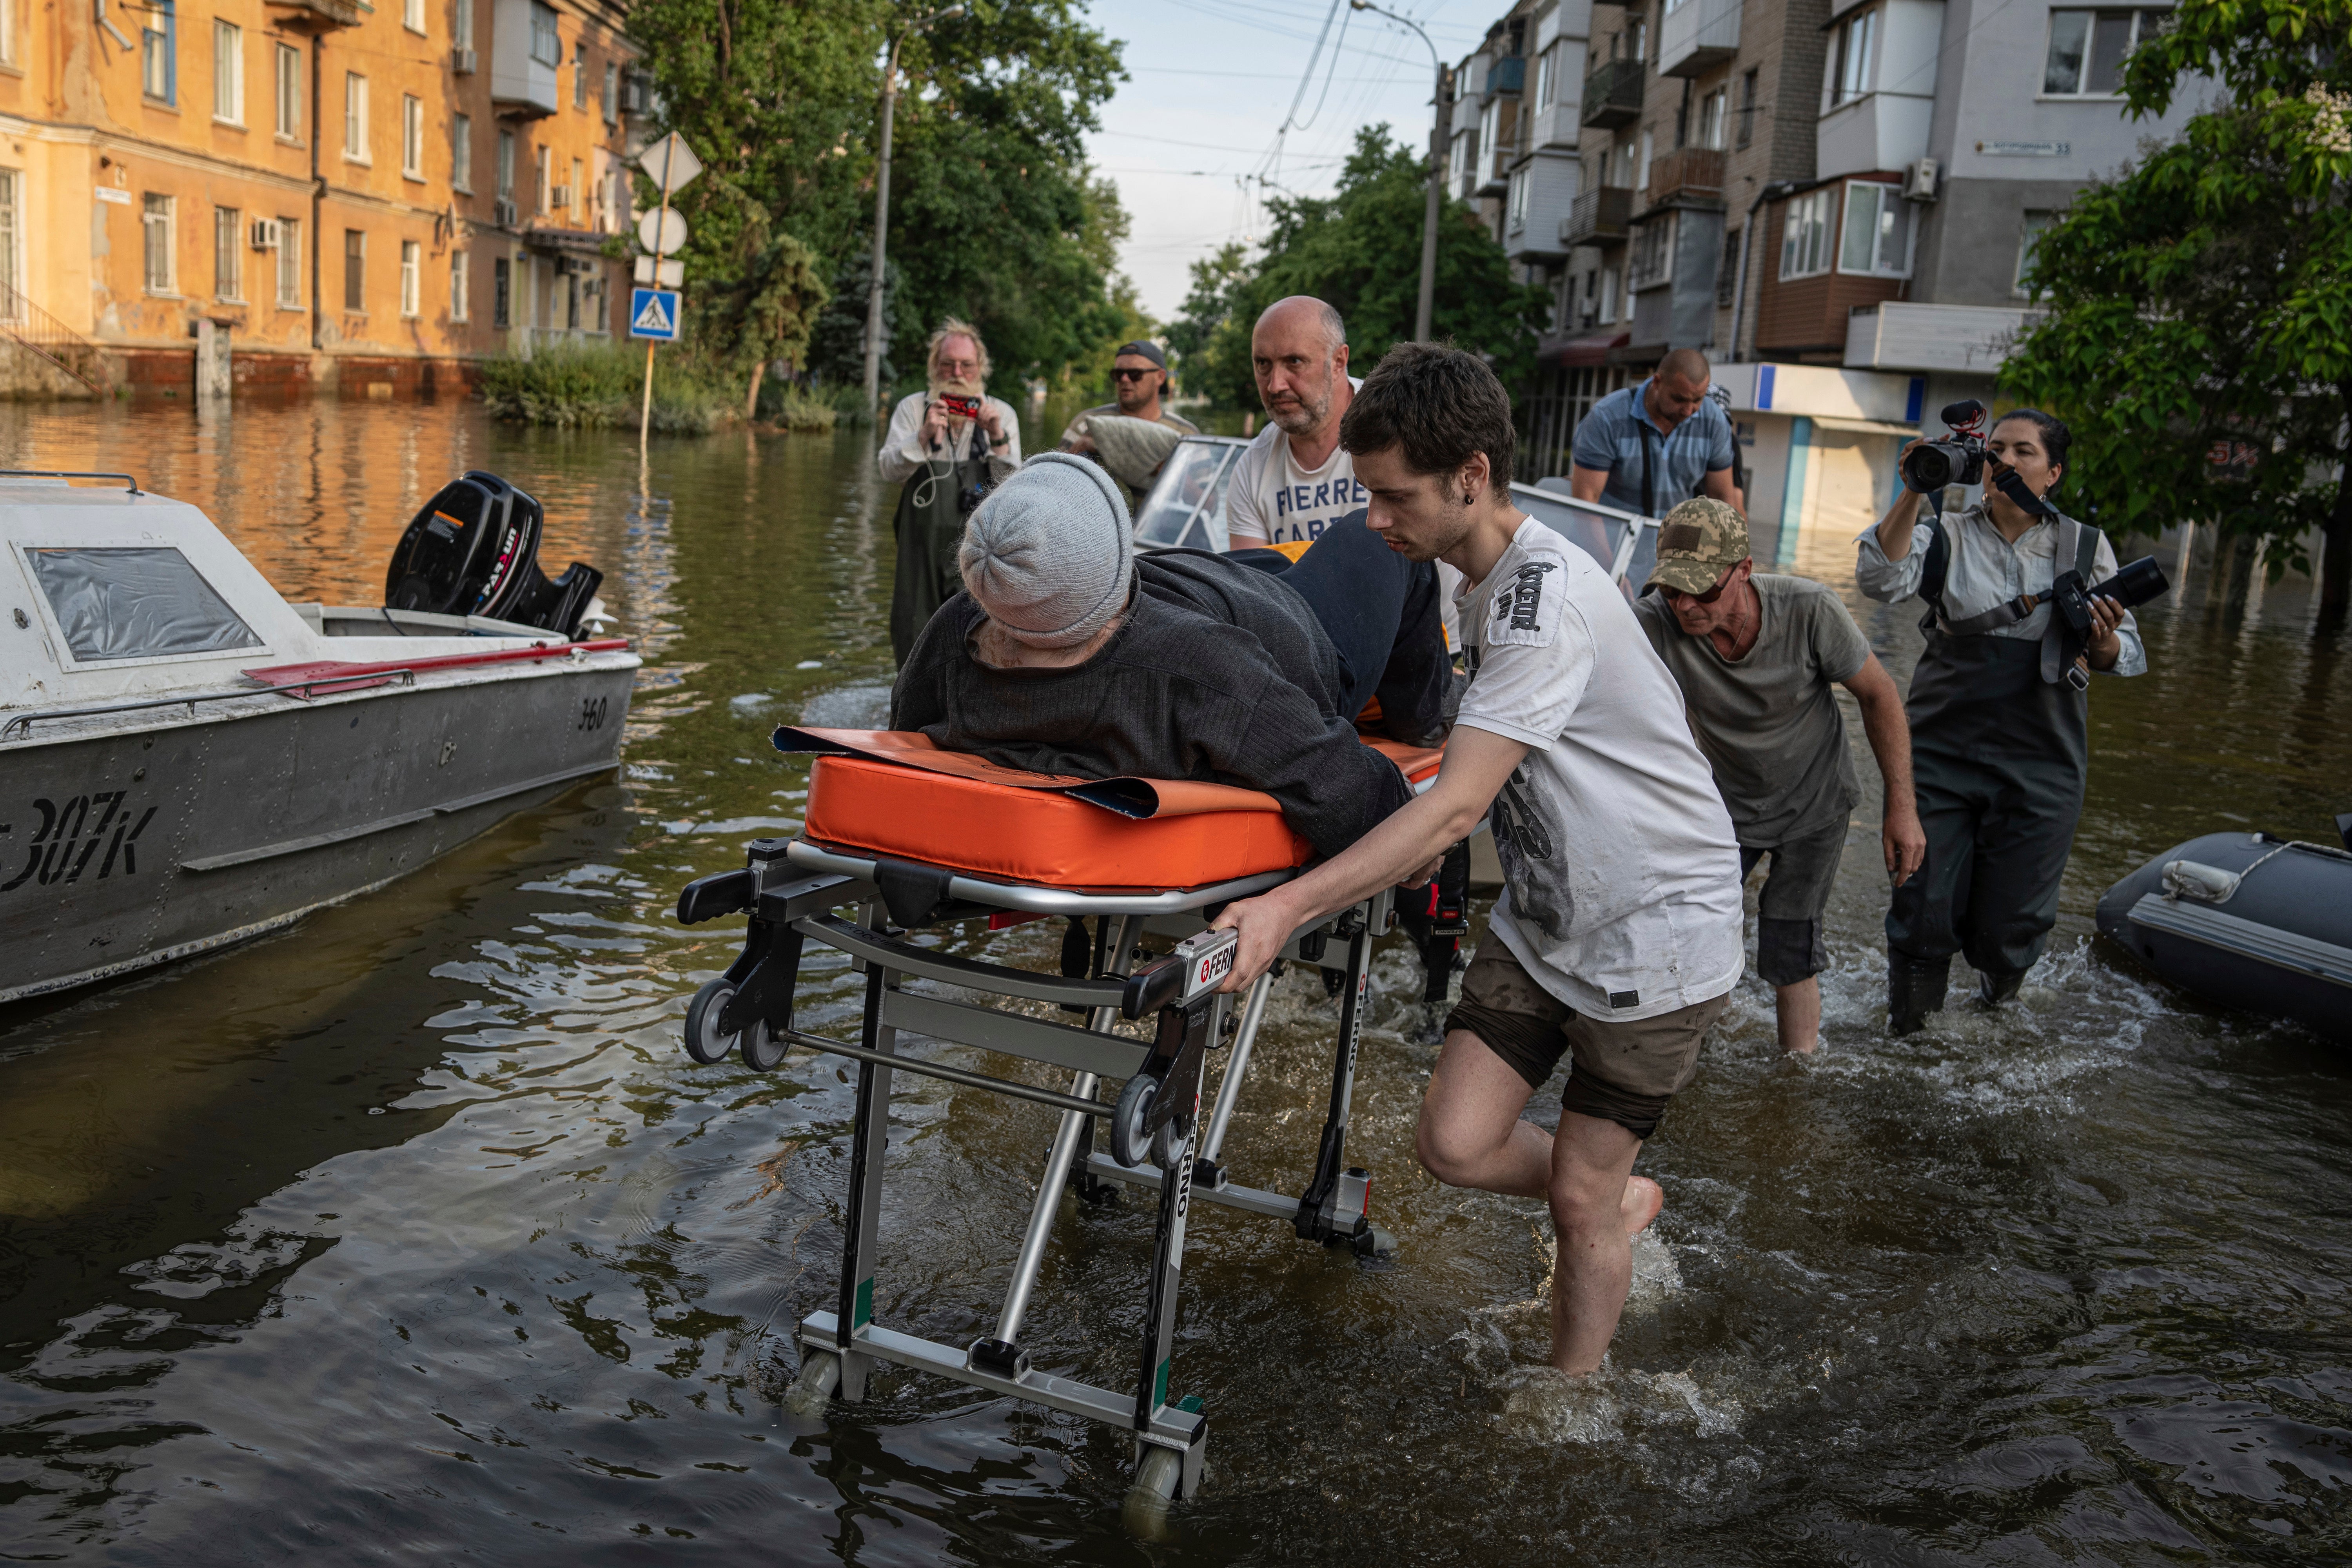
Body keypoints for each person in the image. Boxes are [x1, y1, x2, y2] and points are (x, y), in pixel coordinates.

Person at [1212, 344, 1745, 1378]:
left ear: (1472, 477)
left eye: (1390, 498)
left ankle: (1569, 1401)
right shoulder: (1473, 576)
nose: (1372, 523)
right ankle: (1615, 1194)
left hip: (1657, 933)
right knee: (1453, 1145)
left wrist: (1284, 912)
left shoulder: (1542, 601)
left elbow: (1458, 809)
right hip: (1549, 916)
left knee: (1578, 1200)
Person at [891, 452, 1452, 860]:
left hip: (1215, 590)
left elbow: (906, 730)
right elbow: (1346, 789)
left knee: (1265, 564)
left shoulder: (958, 626)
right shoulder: (1192, 666)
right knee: (1380, 534)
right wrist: (1421, 845)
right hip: (1308, 642)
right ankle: (1429, 716)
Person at [1857, 408, 2145, 1033]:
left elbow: (2133, 654)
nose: (2005, 462)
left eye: (2023, 452)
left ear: (2054, 473)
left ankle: (1996, 1016)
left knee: (2012, 920)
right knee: (1923, 903)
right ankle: (1910, 1043)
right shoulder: (1946, 534)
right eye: (1995, 451)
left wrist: (2103, 645)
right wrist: (1914, 487)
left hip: (2044, 761)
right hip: (1940, 754)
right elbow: (1878, 581)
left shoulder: (2087, 547)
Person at [1630, 497, 1927, 1054]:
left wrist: (1901, 808)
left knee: (1789, 946)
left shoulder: (1809, 609)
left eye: (1704, 590)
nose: (1687, 606)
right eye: (1673, 590)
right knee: (1686, 934)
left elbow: (1880, 695)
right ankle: (1681, 1061)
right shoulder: (1652, 623)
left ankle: (1798, 1072)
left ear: (1743, 571)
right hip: (1720, 808)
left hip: (1814, 803)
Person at [876, 319, 1024, 666]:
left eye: (966, 365)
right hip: (919, 547)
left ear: (980, 369)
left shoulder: (1002, 413)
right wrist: (923, 437)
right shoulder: (913, 410)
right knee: (912, 626)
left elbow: (1015, 491)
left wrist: (997, 437)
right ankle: (909, 708)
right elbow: (887, 470)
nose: (957, 372)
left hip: (981, 547)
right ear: (935, 367)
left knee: (977, 628)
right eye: (948, 364)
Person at [1224, 296, 1367, 549]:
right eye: (1263, 364)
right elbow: (1251, 585)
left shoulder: (1400, 429)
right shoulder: (1252, 469)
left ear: (1338, 362)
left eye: (1295, 362)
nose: (1275, 385)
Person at [1568, 348, 1744, 518]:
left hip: (1676, 543)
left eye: (1698, 400)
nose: (1689, 411)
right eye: (1679, 399)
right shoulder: (1607, 418)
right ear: (1657, 382)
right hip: (1615, 541)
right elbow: (1586, 503)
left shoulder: (1713, 421)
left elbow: (1722, 502)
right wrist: (1604, 550)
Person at [1058, 340, 1199, 505]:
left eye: (1135, 374)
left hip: (1155, 528)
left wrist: (1176, 474)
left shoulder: (1187, 435)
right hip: (1097, 525)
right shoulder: (1087, 423)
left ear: (1160, 377)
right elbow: (1052, 483)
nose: (1124, 380)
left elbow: (1210, 506)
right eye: (1118, 374)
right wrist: (1080, 448)